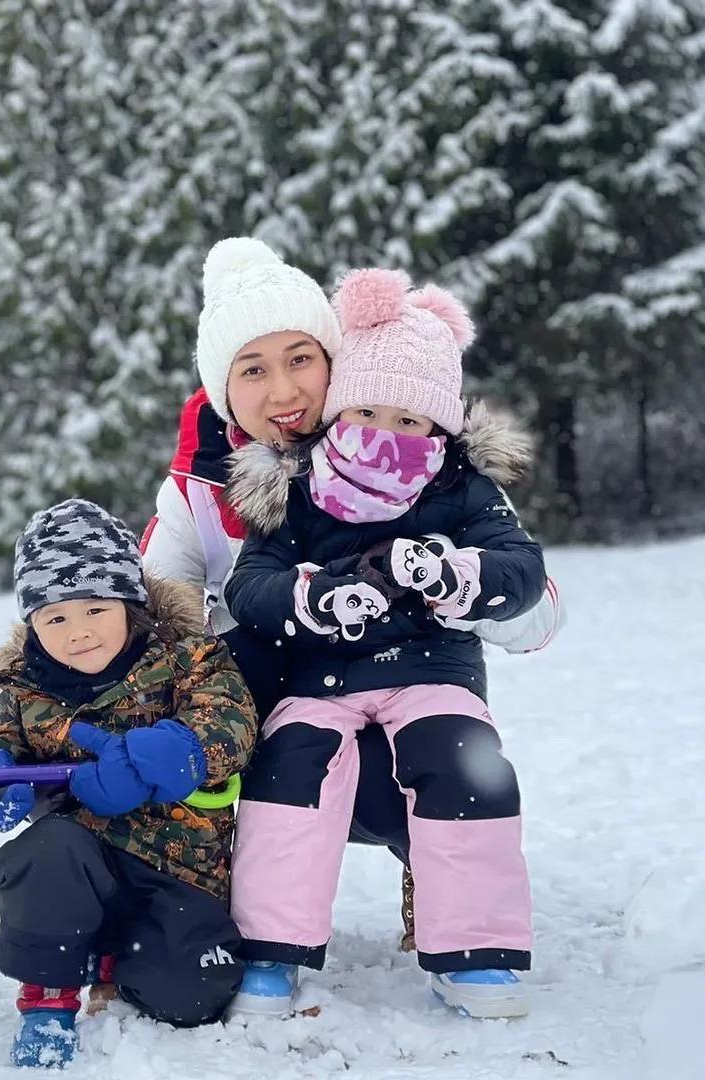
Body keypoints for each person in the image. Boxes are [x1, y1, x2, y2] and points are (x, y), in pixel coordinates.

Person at [141, 238, 560, 951]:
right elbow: (151, 628)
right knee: (199, 730)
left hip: (398, 698)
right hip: (264, 710)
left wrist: (446, 584)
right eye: (253, 369)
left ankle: (437, 868)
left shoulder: (425, 458)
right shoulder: (197, 493)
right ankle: (193, 891)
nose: (283, 392)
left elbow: (536, 609)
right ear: (222, 389)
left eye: (301, 359)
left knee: (441, 755)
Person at [223, 267, 549, 1020]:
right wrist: (313, 598)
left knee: (463, 763)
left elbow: (522, 568)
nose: (384, 433)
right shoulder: (297, 486)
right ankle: (270, 948)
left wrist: (456, 574)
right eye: (365, 410)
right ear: (339, 408)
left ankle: (476, 952)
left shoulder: (462, 488)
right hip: (321, 680)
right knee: (290, 767)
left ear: (440, 427)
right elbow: (251, 583)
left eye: (410, 420)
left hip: (433, 672)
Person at [0, 498, 257, 1067]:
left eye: (94, 608)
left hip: (177, 869)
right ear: (33, 624)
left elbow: (229, 722)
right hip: (77, 865)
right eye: (55, 618)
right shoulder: (27, 688)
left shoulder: (190, 659)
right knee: (46, 851)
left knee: (192, 995)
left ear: (129, 602)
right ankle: (49, 995)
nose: (79, 632)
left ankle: (117, 957)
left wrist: (168, 754)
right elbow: (5, 743)